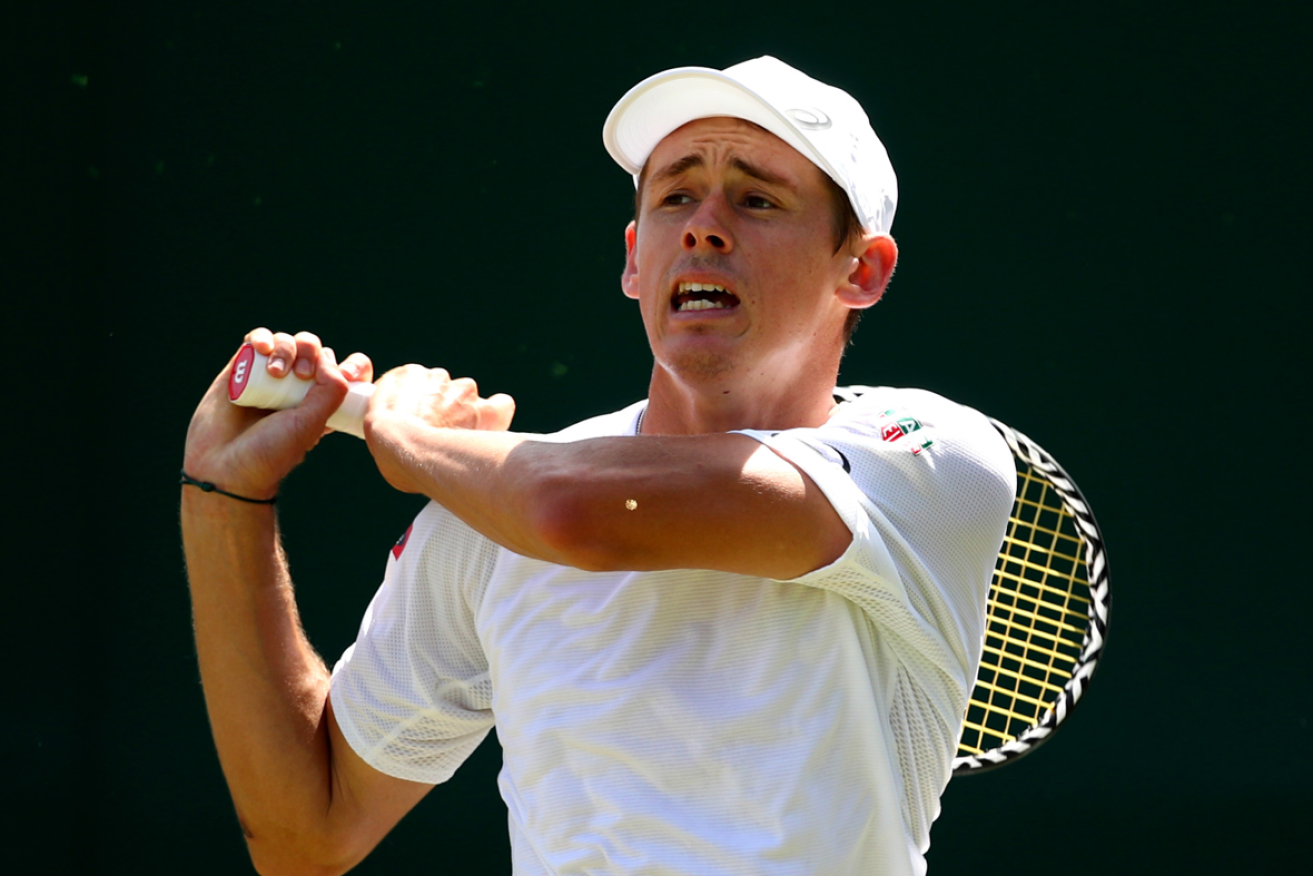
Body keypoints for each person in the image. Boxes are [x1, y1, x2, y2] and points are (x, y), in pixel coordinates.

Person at [181, 56, 1017, 876]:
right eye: (675, 195)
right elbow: (306, 835)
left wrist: (411, 438)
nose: (703, 225)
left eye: (757, 199)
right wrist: (223, 496)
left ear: (861, 269)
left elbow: (577, 514)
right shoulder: (486, 505)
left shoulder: (929, 458)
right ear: (632, 258)